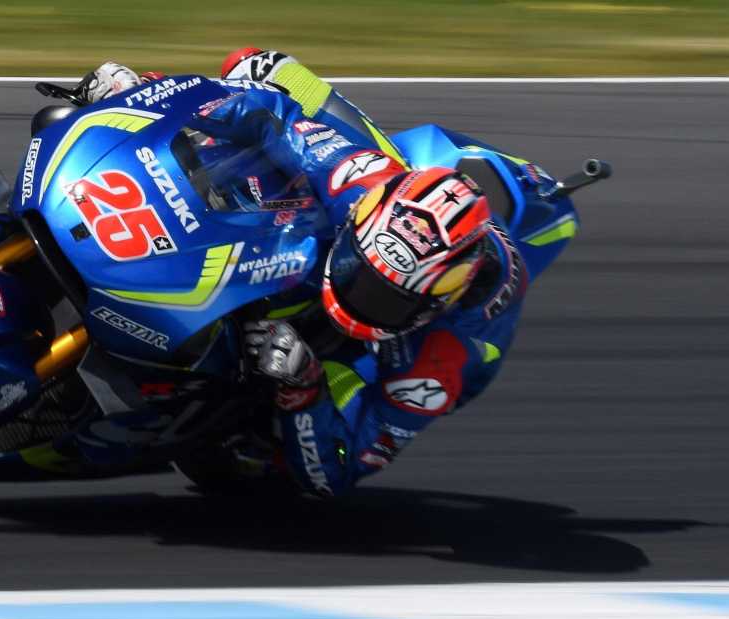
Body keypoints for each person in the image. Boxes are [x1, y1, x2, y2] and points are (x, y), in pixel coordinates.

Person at [73, 51, 529, 497]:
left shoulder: (437, 364)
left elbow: (338, 471)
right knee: (256, 66)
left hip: (374, 352)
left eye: (383, 297)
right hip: (364, 201)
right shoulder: (356, 179)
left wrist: (304, 386)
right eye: (356, 265)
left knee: (262, 456)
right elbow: (268, 113)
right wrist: (150, 97)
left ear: (431, 305)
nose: (355, 292)